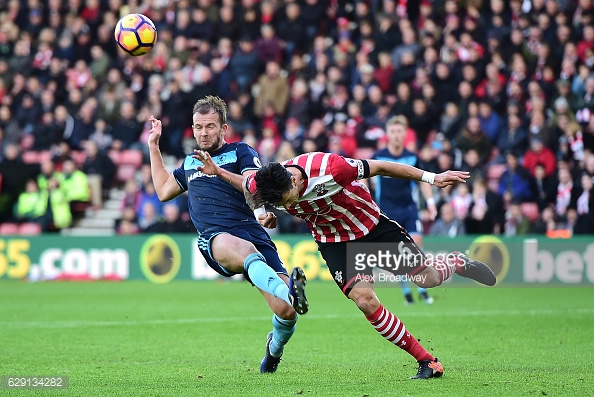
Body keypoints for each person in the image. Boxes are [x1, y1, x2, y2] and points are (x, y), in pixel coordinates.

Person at [226, 152, 497, 380]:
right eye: (284, 204)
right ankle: (427, 361)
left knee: (428, 279)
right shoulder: (261, 182)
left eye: (289, 198)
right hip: (335, 243)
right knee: (365, 300)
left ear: (294, 179)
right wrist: (262, 215)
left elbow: (379, 166)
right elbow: (249, 191)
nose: (290, 205)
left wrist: (431, 177)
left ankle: (456, 262)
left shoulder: (331, 168)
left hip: (371, 228)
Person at [147, 95, 308, 373]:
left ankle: (273, 350)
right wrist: (153, 145)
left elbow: (253, 185)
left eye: (210, 126)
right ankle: (290, 292)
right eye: (198, 127)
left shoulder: (240, 151)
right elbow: (163, 190)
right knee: (248, 255)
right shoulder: (189, 163)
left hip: (252, 233)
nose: (203, 133)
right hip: (216, 237)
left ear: (223, 128)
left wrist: (259, 213)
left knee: (286, 312)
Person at [371, 116, 435, 305]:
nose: (396, 135)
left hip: (409, 208)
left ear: (405, 134)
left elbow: (423, 180)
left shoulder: (413, 157)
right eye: (393, 131)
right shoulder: (378, 157)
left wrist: (430, 202)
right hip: (388, 211)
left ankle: (422, 289)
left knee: (416, 246)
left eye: (399, 131)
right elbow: (365, 179)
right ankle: (407, 292)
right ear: (387, 134)